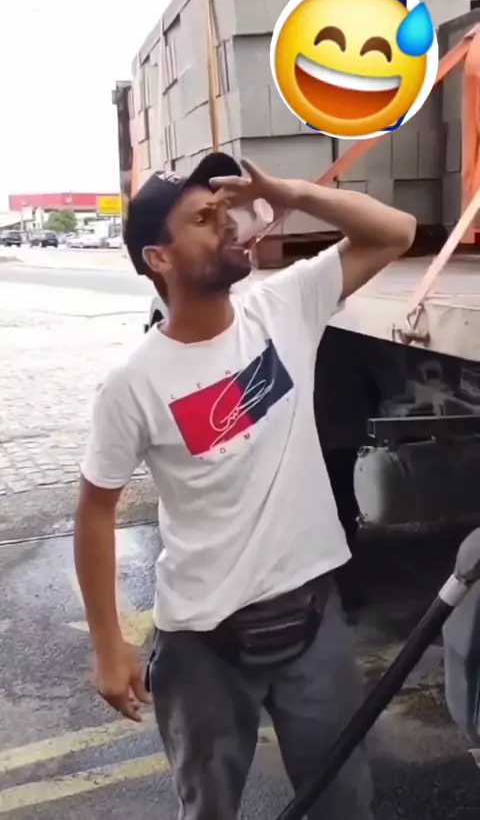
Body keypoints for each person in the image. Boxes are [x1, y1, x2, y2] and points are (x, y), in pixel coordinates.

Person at [74, 152, 416, 820]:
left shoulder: (283, 306)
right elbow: (95, 510)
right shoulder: (132, 384)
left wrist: (288, 190)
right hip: (204, 644)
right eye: (204, 219)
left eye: (225, 210)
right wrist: (108, 643)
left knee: (344, 802)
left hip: (313, 619)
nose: (228, 223)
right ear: (160, 258)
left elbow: (395, 232)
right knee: (208, 809)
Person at [314, 326, 381, 620]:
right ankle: (345, 591)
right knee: (342, 509)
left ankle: (340, 591)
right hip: (342, 430)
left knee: (331, 510)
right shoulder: (347, 330)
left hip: (322, 431)